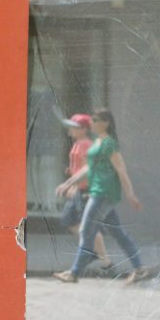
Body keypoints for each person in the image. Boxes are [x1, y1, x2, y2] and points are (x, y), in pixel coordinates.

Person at [52, 108, 148, 284]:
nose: (92, 123)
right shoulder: (97, 143)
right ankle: (140, 269)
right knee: (117, 233)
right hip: (97, 191)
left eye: (96, 120)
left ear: (106, 123)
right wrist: (68, 183)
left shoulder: (109, 143)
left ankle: (74, 273)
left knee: (85, 230)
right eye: (92, 120)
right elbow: (88, 169)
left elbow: (121, 169)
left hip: (103, 193)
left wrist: (130, 194)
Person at [58, 113, 111, 271]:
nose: (70, 130)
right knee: (70, 220)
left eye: (73, 127)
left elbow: (89, 169)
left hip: (86, 190)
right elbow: (79, 167)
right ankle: (92, 251)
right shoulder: (78, 143)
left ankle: (106, 262)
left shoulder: (86, 144)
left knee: (90, 226)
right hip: (78, 189)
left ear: (82, 129)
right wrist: (72, 172)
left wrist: (72, 185)